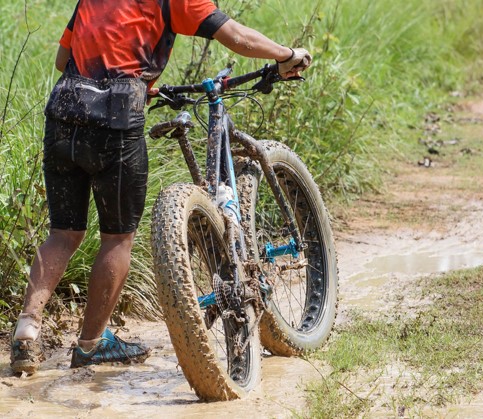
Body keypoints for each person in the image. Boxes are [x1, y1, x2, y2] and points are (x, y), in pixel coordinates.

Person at [10, 0, 311, 375]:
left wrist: (131, 75)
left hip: (63, 113)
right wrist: (287, 54)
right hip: (115, 121)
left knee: (63, 233)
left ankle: (27, 327)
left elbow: (62, 59)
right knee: (116, 239)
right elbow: (237, 37)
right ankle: (90, 345)